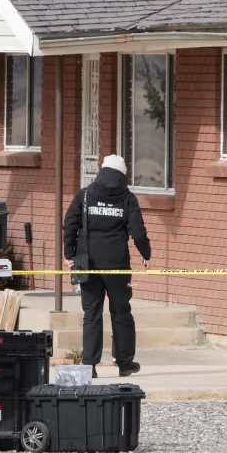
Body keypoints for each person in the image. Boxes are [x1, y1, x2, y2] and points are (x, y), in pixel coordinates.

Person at [63, 154, 151, 378]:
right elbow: (138, 232)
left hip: (88, 263)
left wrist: (69, 254)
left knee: (91, 313)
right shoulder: (128, 198)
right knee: (121, 312)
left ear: (102, 170)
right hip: (117, 265)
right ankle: (124, 363)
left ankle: (89, 365)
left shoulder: (85, 195)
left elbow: (70, 224)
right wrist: (146, 254)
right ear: (122, 174)